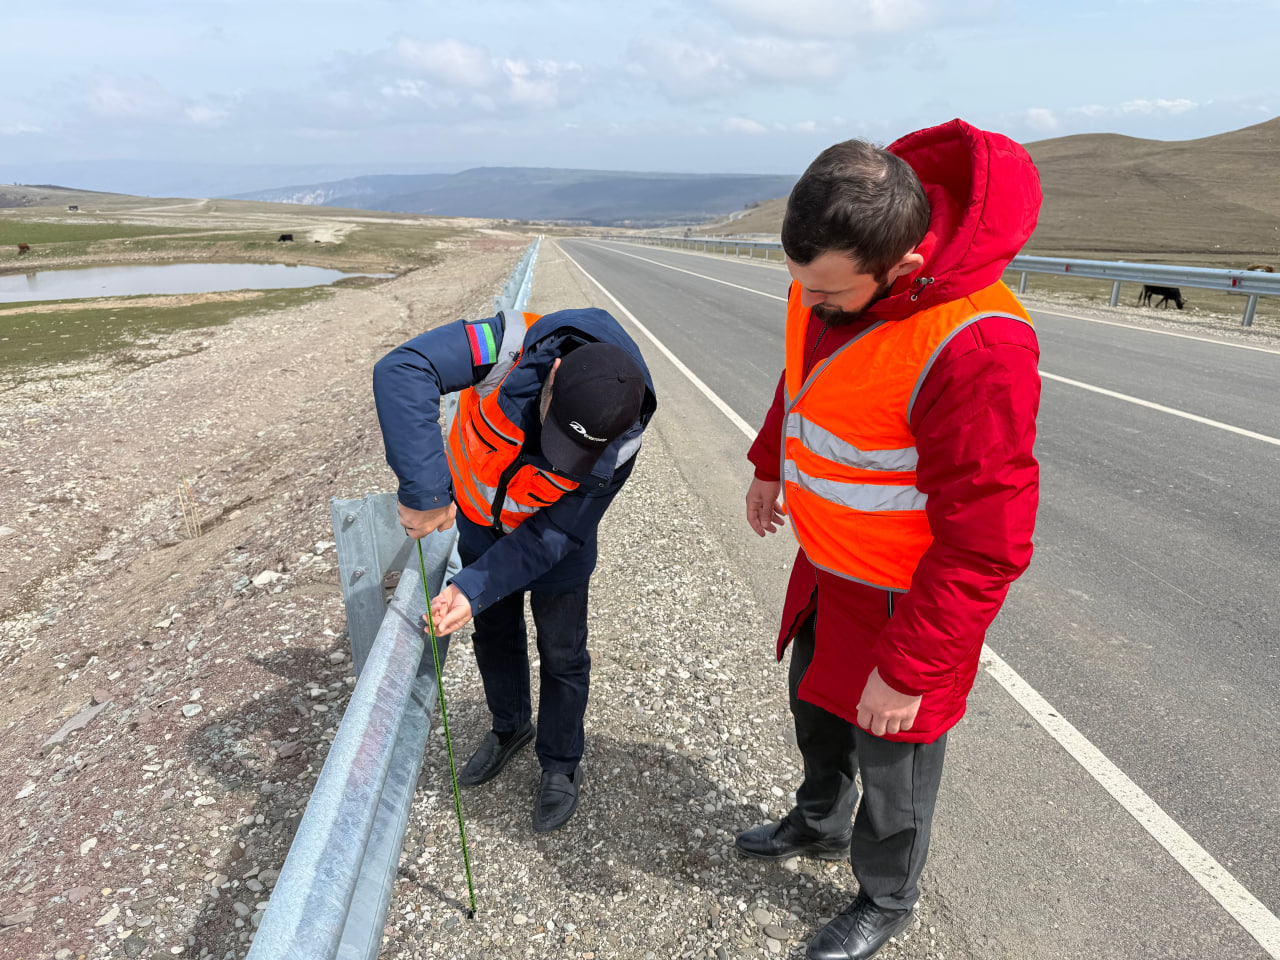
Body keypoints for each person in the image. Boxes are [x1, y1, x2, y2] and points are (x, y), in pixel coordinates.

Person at [738, 119, 1042, 960]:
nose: (810, 300)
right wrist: (772, 463)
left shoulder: (977, 348)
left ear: (902, 266)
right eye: (802, 282)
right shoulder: (829, 277)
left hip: (908, 597)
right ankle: (818, 822)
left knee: (894, 759)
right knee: (817, 713)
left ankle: (886, 896)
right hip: (830, 567)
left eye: (829, 292)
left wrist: (910, 668)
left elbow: (987, 543)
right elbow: (807, 379)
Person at [373, 306, 656, 832]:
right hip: (481, 531)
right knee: (495, 636)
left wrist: (473, 586)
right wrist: (425, 490)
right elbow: (404, 369)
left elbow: (557, 531)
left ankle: (560, 763)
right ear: (552, 377)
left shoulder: (623, 433)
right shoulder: (506, 346)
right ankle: (509, 728)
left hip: (557, 554)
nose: (560, 458)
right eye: (557, 435)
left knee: (564, 655)